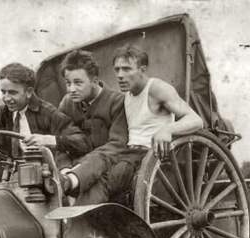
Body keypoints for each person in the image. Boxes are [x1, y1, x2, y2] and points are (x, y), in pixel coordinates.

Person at [61, 45, 204, 202]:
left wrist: (168, 130)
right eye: (117, 70)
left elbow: (196, 120)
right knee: (100, 165)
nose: (120, 75)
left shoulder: (157, 88)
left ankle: (70, 182)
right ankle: (81, 212)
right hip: (129, 155)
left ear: (142, 70)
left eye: (127, 69)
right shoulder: (127, 95)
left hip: (151, 157)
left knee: (105, 167)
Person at [0, 62, 88, 186]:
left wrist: (48, 139)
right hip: (12, 171)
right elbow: (3, 152)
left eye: (12, 93)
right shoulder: (2, 113)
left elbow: (81, 142)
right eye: (3, 92)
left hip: (41, 173)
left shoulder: (48, 113)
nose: (6, 98)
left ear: (28, 92)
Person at [55, 50, 128, 204]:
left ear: (94, 81)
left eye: (78, 83)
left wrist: (79, 173)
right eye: (68, 83)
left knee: (94, 187)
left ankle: (84, 225)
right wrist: (64, 169)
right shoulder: (67, 103)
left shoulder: (117, 102)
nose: (71, 89)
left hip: (112, 165)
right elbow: (63, 144)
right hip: (75, 167)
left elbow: (117, 146)